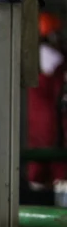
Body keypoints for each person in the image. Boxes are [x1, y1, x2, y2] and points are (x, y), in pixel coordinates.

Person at [27, 11, 67, 188]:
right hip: (49, 118)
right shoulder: (48, 54)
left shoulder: (37, 55)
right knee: (49, 154)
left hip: (40, 118)